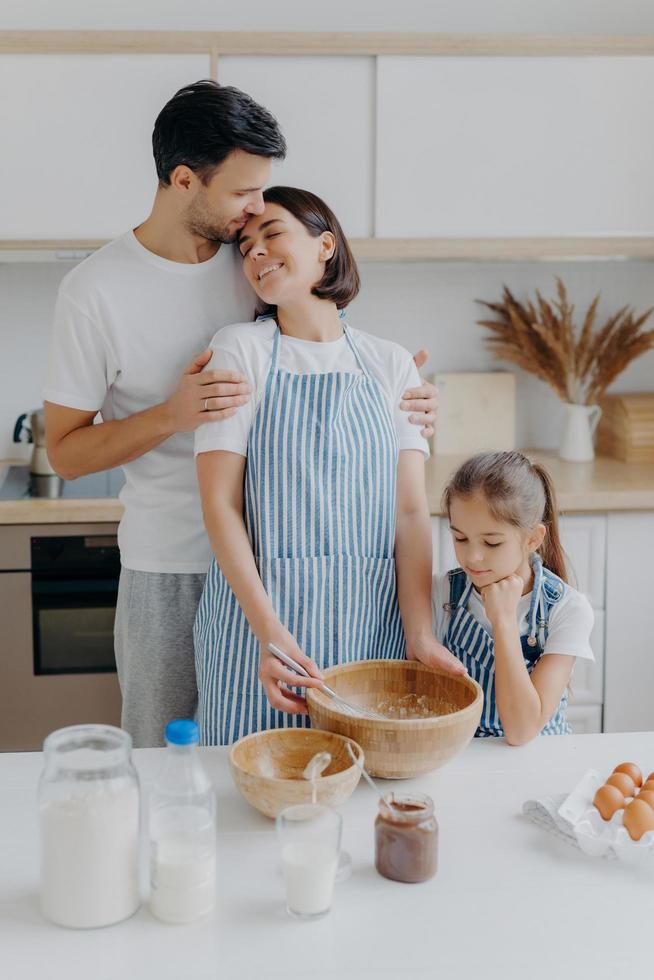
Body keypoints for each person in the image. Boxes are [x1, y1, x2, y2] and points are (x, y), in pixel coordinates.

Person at [42, 82, 438, 748]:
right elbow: (65, 452)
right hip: (171, 567)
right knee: (166, 763)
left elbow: (323, 343)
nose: (255, 212)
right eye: (242, 193)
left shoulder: (249, 256)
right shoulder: (95, 291)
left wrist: (409, 398)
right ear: (184, 180)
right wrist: (171, 415)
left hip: (287, 571)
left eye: (265, 197)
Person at [193, 186, 464, 746]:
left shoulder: (390, 364)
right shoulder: (238, 350)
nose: (257, 255)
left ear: (324, 246)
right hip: (261, 631)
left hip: (370, 626)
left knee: (366, 789)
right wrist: (270, 636)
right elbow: (220, 504)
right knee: (256, 796)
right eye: (245, 247)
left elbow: (410, 512)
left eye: (272, 235)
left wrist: (420, 634)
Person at [432, 451, 595, 744]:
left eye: (491, 542)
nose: (472, 556)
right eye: (460, 538)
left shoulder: (568, 610)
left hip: (540, 762)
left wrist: (503, 620)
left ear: (532, 539)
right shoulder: (443, 593)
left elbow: (522, 731)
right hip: (464, 759)